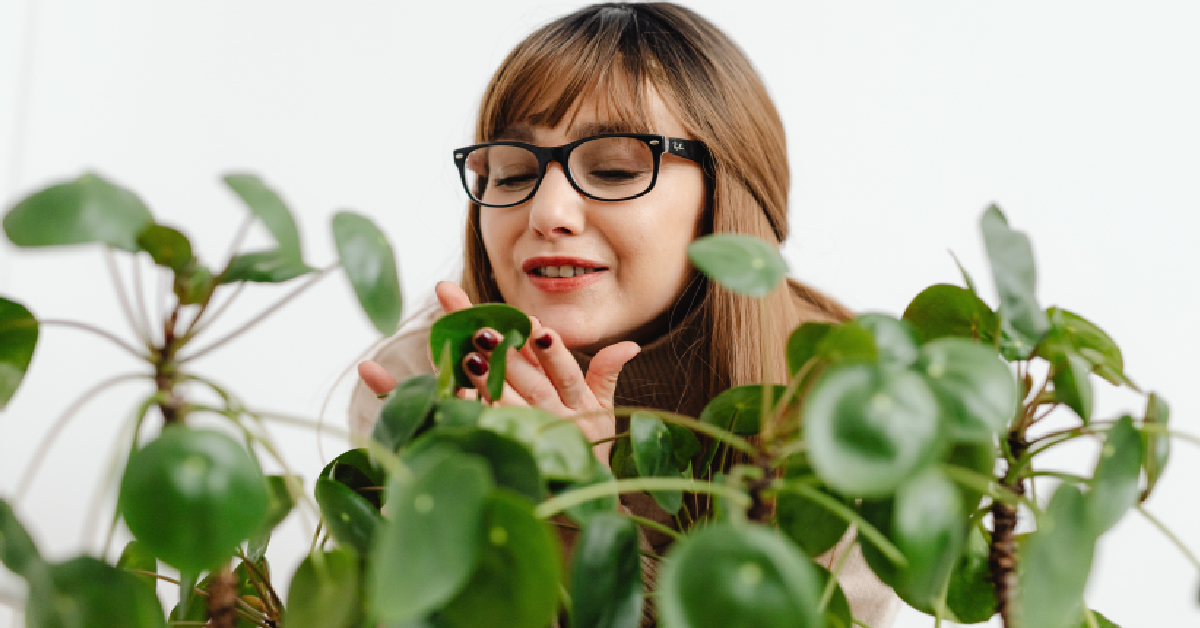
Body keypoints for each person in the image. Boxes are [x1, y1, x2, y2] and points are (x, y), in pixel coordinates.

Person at [352, 3, 900, 626]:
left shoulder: (846, 413)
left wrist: (591, 521)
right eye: (510, 172)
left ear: (727, 198)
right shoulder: (419, 382)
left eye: (614, 169)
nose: (546, 211)